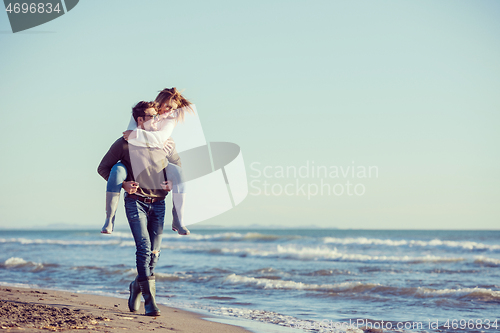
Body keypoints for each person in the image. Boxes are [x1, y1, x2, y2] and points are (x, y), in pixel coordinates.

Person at [98, 101, 174, 316]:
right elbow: (103, 168)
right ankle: (150, 302)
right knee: (143, 248)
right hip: (136, 202)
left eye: (157, 115)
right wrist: (123, 185)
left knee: (155, 253)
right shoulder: (124, 143)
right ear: (140, 119)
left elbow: (175, 168)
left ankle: (136, 286)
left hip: (159, 203)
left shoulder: (164, 143)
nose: (157, 119)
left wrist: (172, 183)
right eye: (151, 116)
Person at [100, 88, 193, 235]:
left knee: (178, 172)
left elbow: (158, 139)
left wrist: (171, 182)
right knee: (117, 170)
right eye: (165, 105)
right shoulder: (146, 111)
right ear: (159, 101)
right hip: (136, 161)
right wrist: (151, 140)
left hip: (158, 163)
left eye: (171, 108)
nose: (166, 110)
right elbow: (130, 136)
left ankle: (178, 219)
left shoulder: (170, 118)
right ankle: (109, 219)